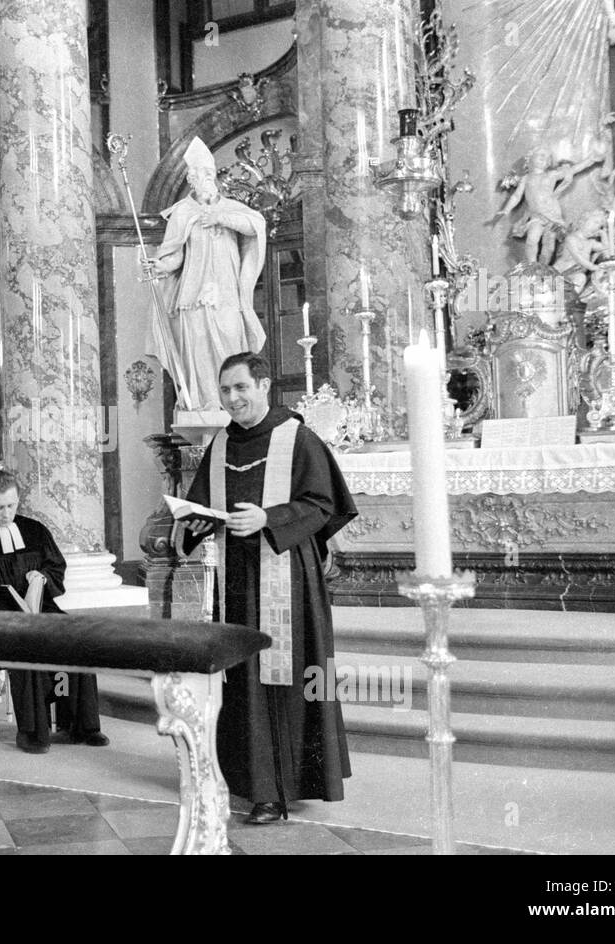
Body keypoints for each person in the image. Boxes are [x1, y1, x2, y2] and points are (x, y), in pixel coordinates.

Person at [180, 353, 358, 825]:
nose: (233, 398)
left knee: (277, 676)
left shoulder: (296, 438)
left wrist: (269, 518)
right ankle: (243, 778)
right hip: (232, 582)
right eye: (225, 391)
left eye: (240, 388)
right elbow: (199, 507)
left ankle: (275, 790)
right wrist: (194, 522)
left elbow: (323, 504)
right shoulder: (219, 445)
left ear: (264, 386)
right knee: (240, 678)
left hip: (286, 579)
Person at [0, 470, 108, 754]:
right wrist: (11, 602)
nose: (6, 513)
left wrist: (42, 577)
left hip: (41, 609)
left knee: (76, 637)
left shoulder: (35, 530)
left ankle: (80, 726)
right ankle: (35, 732)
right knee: (27, 644)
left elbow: (55, 566)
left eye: (11, 505)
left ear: (18, 500)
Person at [145, 136, 267, 412]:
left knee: (230, 347)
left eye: (210, 174)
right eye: (201, 175)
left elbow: (255, 226)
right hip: (193, 294)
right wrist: (161, 266)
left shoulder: (229, 208)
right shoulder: (183, 213)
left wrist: (220, 218)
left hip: (225, 294)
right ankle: (203, 404)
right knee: (198, 351)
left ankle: (233, 405)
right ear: (192, 180)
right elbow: (175, 252)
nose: (207, 179)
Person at [497, 144, 603, 266]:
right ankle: (532, 265)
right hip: (536, 217)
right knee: (532, 238)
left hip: (553, 216)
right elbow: (516, 196)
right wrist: (506, 210)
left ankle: (543, 268)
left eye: (548, 157)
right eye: (541, 155)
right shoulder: (526, 179)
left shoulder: (551, 175)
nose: (544, 158)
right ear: (530, 158)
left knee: (549, 247)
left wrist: (591, 160)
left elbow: (573, 169)